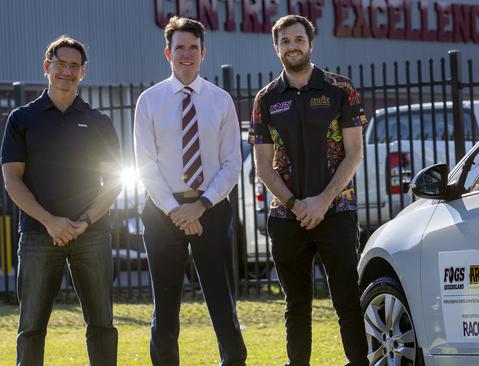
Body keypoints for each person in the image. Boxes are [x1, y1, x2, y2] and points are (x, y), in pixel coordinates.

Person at [249, 14, 369, 366]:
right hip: (287, 218)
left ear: (311, 44)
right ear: (276, 48)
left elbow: (355, 154)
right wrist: (296, 204)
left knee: (347, 298)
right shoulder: (266, 99)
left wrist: (322, 201)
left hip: (337, 211)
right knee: (296, 304)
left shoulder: (340, 89)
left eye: (298, 39)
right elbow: (262, 166)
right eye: (285, 41)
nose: (292, 46)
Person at [1, 35, 121, 366]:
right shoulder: (22, 119)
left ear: (83, 72)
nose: (66, 72)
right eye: (59, 65)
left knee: (101, 325)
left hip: (91, 235)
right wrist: (50, 221)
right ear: (46, 67)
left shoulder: (99, 121)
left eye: (73, 66)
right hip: (39, 235)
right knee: (31, 328)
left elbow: (114, 182)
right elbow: (12, 179)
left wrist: (83, 222)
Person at [134, 16, 247, 366]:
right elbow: (145, 165)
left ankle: (234, 361)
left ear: (203, 52)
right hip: (161, 212)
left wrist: (199, 207)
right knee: (165, 307)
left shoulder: (221, 100)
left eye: (193, 48)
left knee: (221, 300)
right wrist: (175, 211)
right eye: (179, 47)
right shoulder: (149, 102)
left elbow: (231, 163)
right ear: (167, 52)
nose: (186, 54)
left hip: (211, 211)